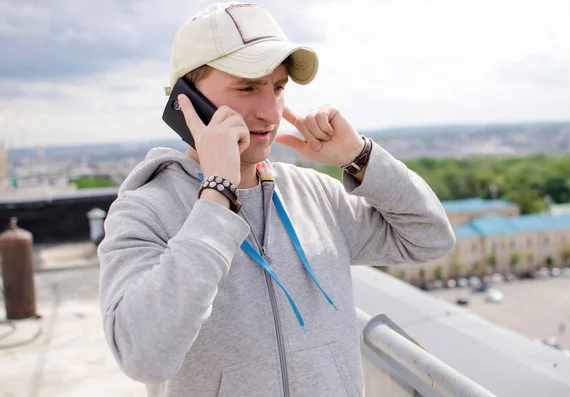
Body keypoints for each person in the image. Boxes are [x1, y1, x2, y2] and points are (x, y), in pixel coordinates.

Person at [97, 2, 455, 397]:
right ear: (186, 100)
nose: (270, 112)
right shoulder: (145, 210)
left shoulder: (314, 194)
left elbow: (431, 238)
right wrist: (217, 195)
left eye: (279, 87)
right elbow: (142, 356)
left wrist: (361, 157)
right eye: (247, 87)